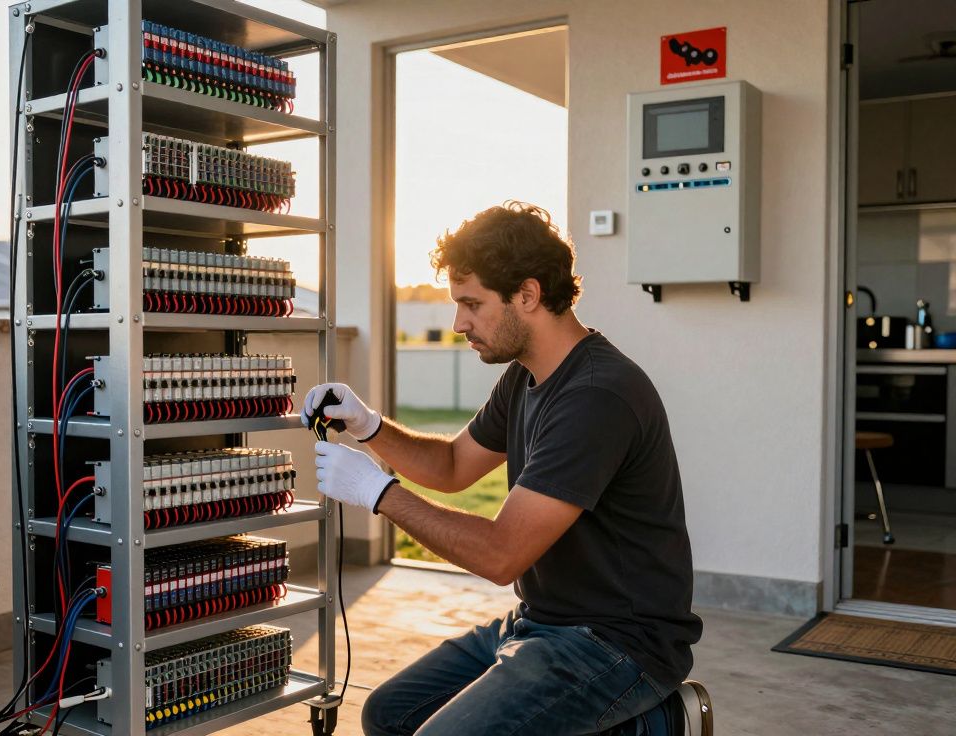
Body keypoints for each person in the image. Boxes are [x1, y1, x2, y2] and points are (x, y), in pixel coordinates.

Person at [303, 202, 707, 735]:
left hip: (617, 643)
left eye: (471, 304)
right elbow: (451, 465)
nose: (458, 323)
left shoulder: (597, 395)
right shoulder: (525, 378)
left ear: (528, 295)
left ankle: (654, 722)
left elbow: (500, 555)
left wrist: (379, 493)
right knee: (389, 714)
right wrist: (368, 424)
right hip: (540, 624)